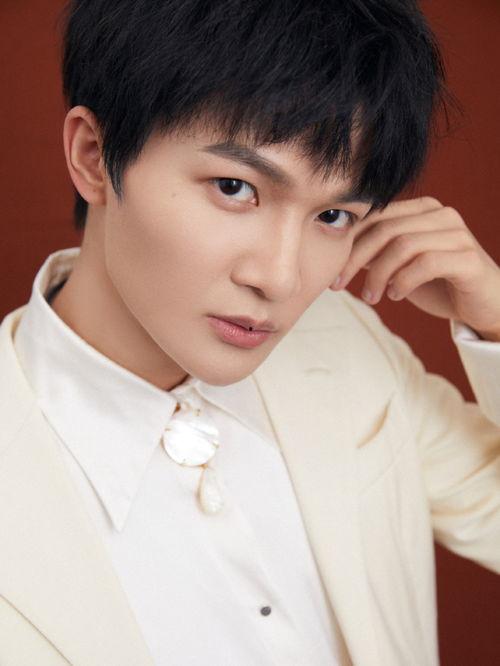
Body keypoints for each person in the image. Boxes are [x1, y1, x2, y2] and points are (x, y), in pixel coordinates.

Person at [0, 0, 499, 664]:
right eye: (235, 187)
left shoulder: (344, 343)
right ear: (94, 156)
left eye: (333, 216)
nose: (282, 278)